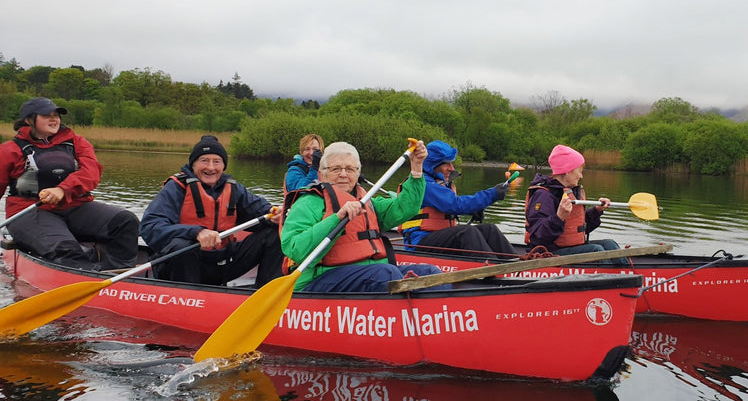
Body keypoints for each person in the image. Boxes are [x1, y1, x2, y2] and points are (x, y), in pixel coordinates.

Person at [280, 140, 447, 293]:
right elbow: (294, 249)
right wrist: (336, 218)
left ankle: (435, 318)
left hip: (371, 274)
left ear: (358, 173)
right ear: (322, 174)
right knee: (386, 273)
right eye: (336, 169)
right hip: (320, 278)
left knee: (431, 273)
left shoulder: (367, 201)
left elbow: (406, 208)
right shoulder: (308, 202)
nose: (343, 174)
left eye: (350, 169)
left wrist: (417, 168)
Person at [0, 97, 140, 270]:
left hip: (75, 207)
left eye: (56, 115)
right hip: (28, 212)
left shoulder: (77, 142)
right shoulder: (9, 150)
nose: (54, 119)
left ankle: (117, 274)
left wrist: (62, 189)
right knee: (65, 248)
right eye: (46, 115)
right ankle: (84, 271)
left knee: (126, 221)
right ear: (29, 120)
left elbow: (91, 172)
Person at [140, 135, 284, 286]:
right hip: (183, 265)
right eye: (204, 161)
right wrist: (196, 232)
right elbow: (150, 226)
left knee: (275, 232)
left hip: (222, 262)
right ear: (193, 165)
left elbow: (261, 210)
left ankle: (267, 295)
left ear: (223, 166)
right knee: (182, 247)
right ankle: (187, 297)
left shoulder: (234, 188)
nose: (211, 167)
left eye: (217, 162)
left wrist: (274, 213)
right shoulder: (176, 188)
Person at [398, 140, 515, 260]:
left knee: (490, 229)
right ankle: (492, 269)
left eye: (451, 163)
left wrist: (474, 210)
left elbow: (449, 207)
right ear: (433, 165)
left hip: (438, 237)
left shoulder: (439, 183)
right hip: (419, 242)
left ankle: (515, 264)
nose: (451, 168)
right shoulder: (424, 184)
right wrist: (493, 194)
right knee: (466, 233)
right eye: (446, 164)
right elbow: (456, 205)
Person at [524, 144, 626, 263]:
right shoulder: (543, 195)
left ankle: (629, 275)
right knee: (596, 251)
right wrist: (559, 217)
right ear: (567, 171)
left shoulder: (570, 191)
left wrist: (596, 211)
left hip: (566, 248)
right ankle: (614, 280)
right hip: (548, 252)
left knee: (610, 244)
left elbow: (576, 227)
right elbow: (538, 237)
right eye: (579, 171)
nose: (581, 176)